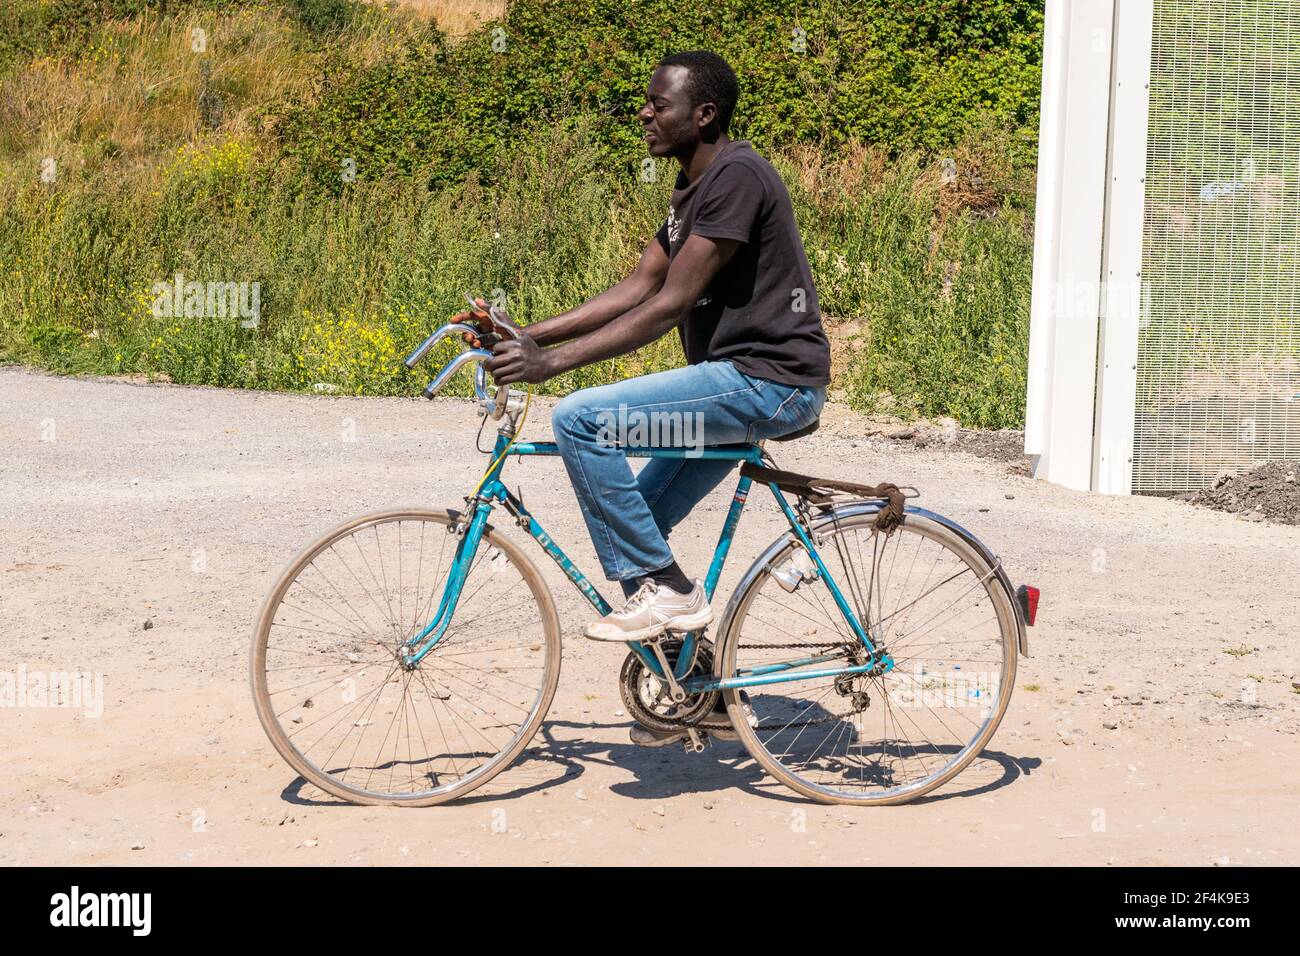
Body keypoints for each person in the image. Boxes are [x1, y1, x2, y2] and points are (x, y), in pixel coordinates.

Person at [462, 50, 831, 742]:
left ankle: (676, 597)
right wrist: (522, 333)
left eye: (658, 104)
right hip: (736, 385)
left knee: (582, 420)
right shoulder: (692, 190)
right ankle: (704, 691)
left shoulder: (737, 179)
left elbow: (670, 306)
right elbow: (637, 286)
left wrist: (551, 367)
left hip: (768, 383)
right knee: (633, 533)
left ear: (704, 114)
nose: (645, 113)